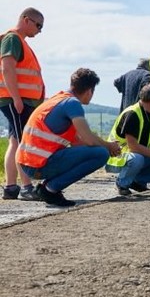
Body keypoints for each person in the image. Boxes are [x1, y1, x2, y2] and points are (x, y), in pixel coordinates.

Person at [16, 68, 121, 206]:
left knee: (97, 151)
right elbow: (89, 139)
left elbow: (77, 142)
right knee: (101, 154)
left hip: (28, 163)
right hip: (38, 165)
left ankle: (47, 187)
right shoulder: (72, 104)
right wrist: (109, 146)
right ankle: (50, 189)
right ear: (90, 90)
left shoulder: (58, 100)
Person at [0, 7, 46, 201]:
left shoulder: (18, 41)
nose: (39, 30)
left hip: (17, 99)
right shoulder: (13, 39)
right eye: (38, 25)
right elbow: (7, 67)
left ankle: (11, 187)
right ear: (26, 20)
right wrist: (17, 98)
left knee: (15, 141)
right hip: (16, 100)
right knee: (23, 142)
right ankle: (26, 187)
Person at [105, 83, 150, 195]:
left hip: (135, 155)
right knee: (138, 158)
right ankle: (122, 183)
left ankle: (138, 182)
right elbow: (133, 147)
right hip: (117, 156)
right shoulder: (132, 114)